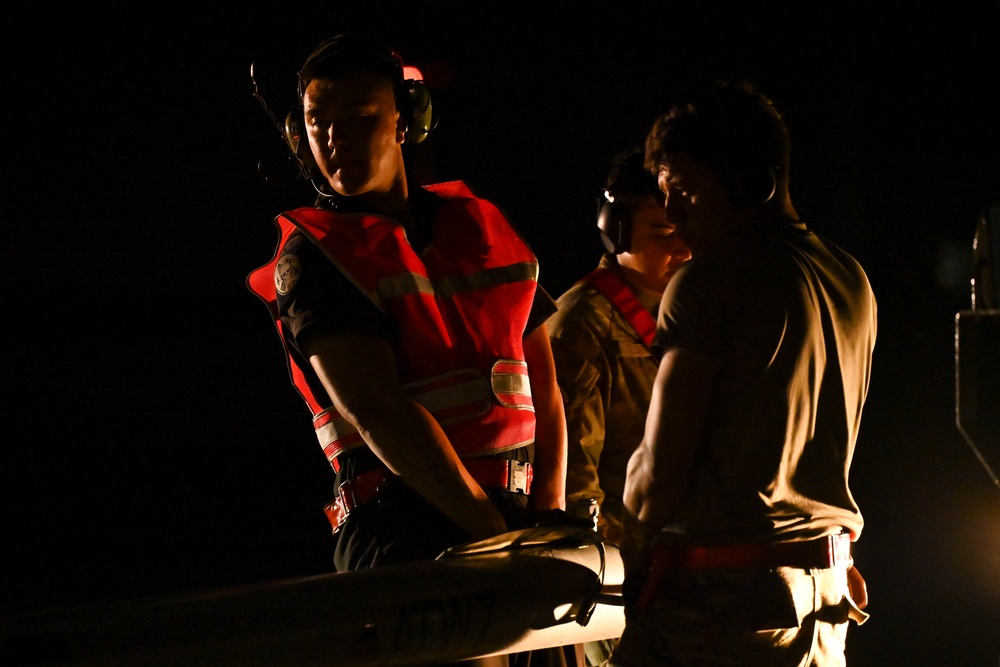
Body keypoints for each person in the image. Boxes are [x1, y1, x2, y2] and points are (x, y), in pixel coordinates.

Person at [247, 32, 567, 587]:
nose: (334, 138)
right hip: (404, 524)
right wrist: (495, 538)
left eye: (357, 117)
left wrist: (549, 517)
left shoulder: (480, 225)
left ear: (404, 122)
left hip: (511, 522)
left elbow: (544, 382)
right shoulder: (317, 254)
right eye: (317, 121)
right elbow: (380, 413)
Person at [613, 81, 876, 666]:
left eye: (683, 189)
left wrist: (623, 552)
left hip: (725, 604)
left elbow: (660, 469)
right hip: (825, 601)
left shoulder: (710, 280)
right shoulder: (851, 278)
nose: (673, 214)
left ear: (749, 179)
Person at [548, 147, 689, 667]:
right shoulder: (582, 327)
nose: (683, 248)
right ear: (616, 230)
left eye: (686, 228)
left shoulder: (693, 317)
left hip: (684, 576)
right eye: (662, 233)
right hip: (624, 591)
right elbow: (574, 487)